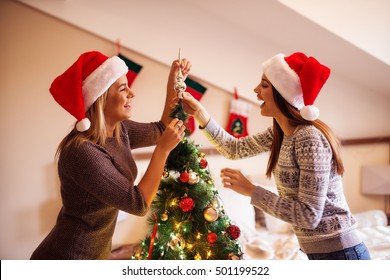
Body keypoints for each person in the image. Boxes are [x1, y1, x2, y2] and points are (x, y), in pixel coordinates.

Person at [181, 52, 371, 260]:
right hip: (321, 252)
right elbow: (234, 149)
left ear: (283, 94)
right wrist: (199, 112)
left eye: (264, 86)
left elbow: (308, 216)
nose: (255, 90)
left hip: (341, 253)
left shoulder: (309, 139)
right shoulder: (280, 133)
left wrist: (252, 190)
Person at [31, 51, 191, 259]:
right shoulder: (83, 152)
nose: (131, 93)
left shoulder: (118, 130)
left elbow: (161, 130)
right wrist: (162, 150)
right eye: (123, 88)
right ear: (101, 97)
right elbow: (138, 203)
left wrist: (173, 81)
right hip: (71, 255)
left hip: (97, 253)